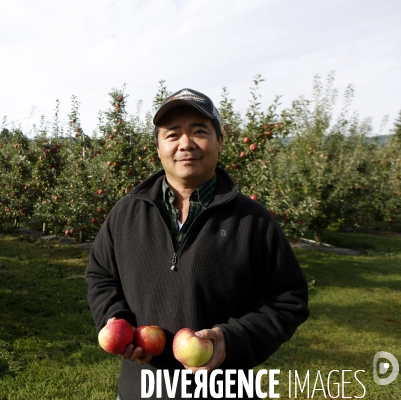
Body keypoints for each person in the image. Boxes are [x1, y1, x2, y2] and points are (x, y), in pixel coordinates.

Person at [85, 88, 309, 400]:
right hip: (140, 391)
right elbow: (101, 275)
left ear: (219, 141)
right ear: (159, 146)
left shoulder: (253, 221)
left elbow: (288, 300)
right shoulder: (126, 214)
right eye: (172, 134)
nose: (185, 144)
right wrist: (116, 317)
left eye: (199, 131)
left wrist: (230, 340)